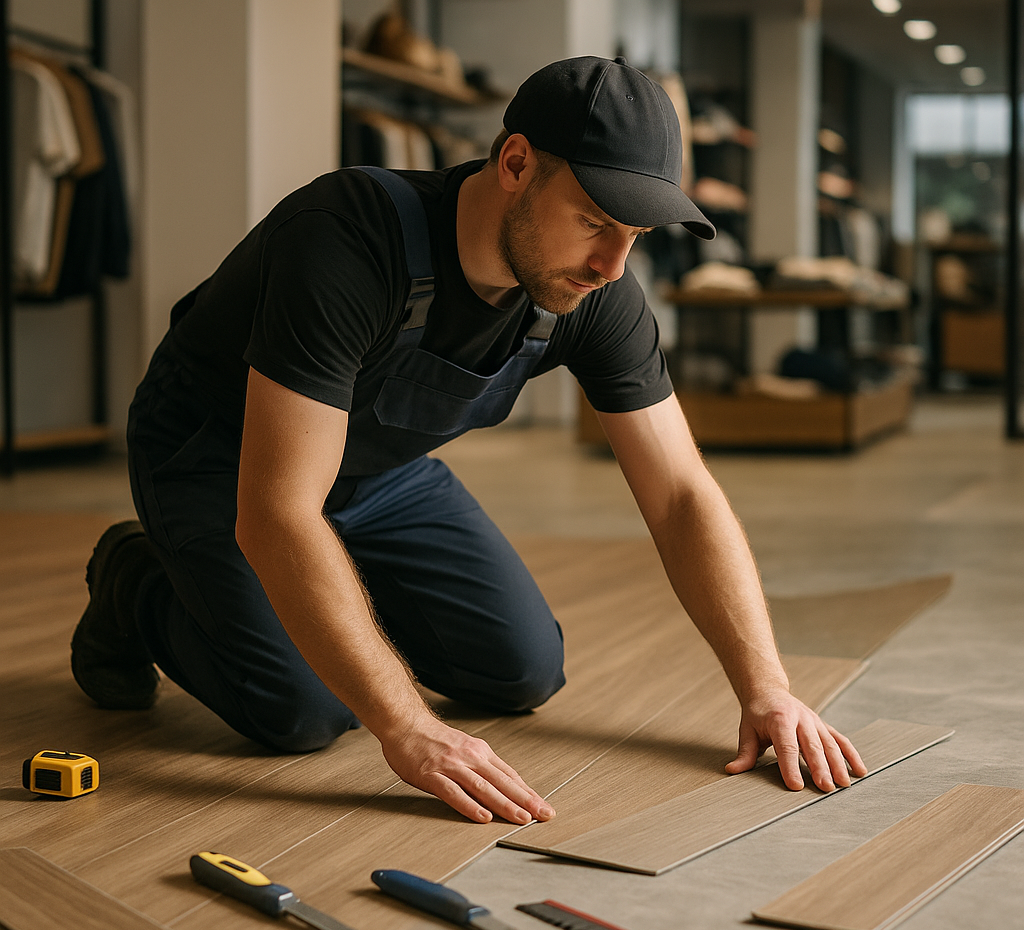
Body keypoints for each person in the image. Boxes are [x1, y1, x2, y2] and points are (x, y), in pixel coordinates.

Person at [71, 56, 866, 827]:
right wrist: (404, 724)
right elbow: (278, 509)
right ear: (515, 163)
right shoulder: (347, 238)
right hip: (218, 457)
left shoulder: (596, 290)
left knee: (521, 669)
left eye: (636, 234)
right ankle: (133, 577)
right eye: (593, 220)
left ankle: (324, 594)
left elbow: (682, 493)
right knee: (302, 710)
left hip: (377, 471)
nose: (611, 263)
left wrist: (765, 687)